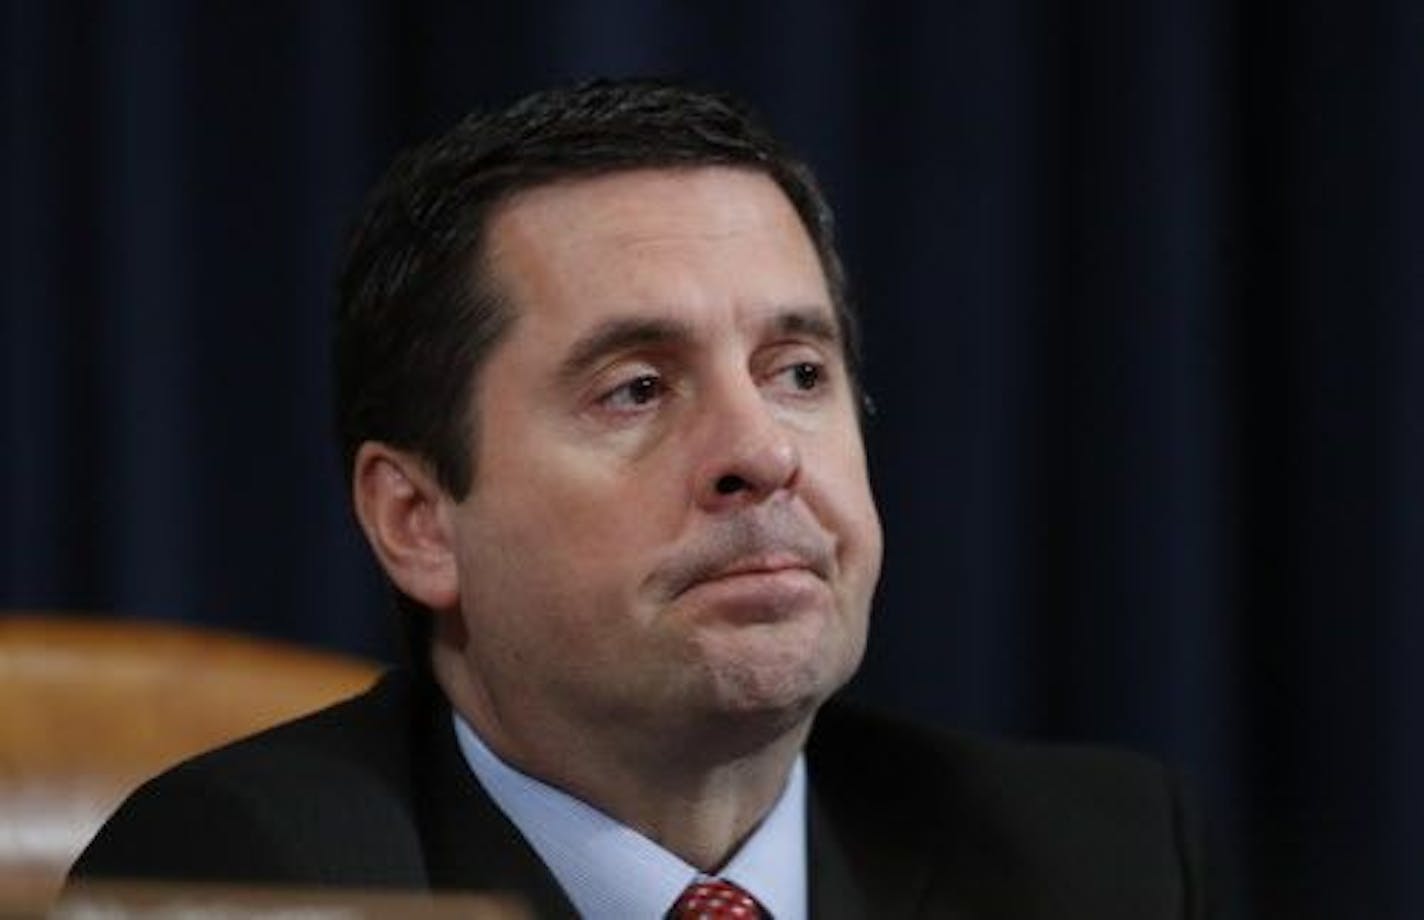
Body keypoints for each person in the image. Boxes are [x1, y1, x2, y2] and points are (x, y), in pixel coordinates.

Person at [68, 79, 1209, 919]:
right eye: (636, 389)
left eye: (796, 371)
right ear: (418, 521)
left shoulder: (1090, 856)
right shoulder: (262, 873)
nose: (759, 452)